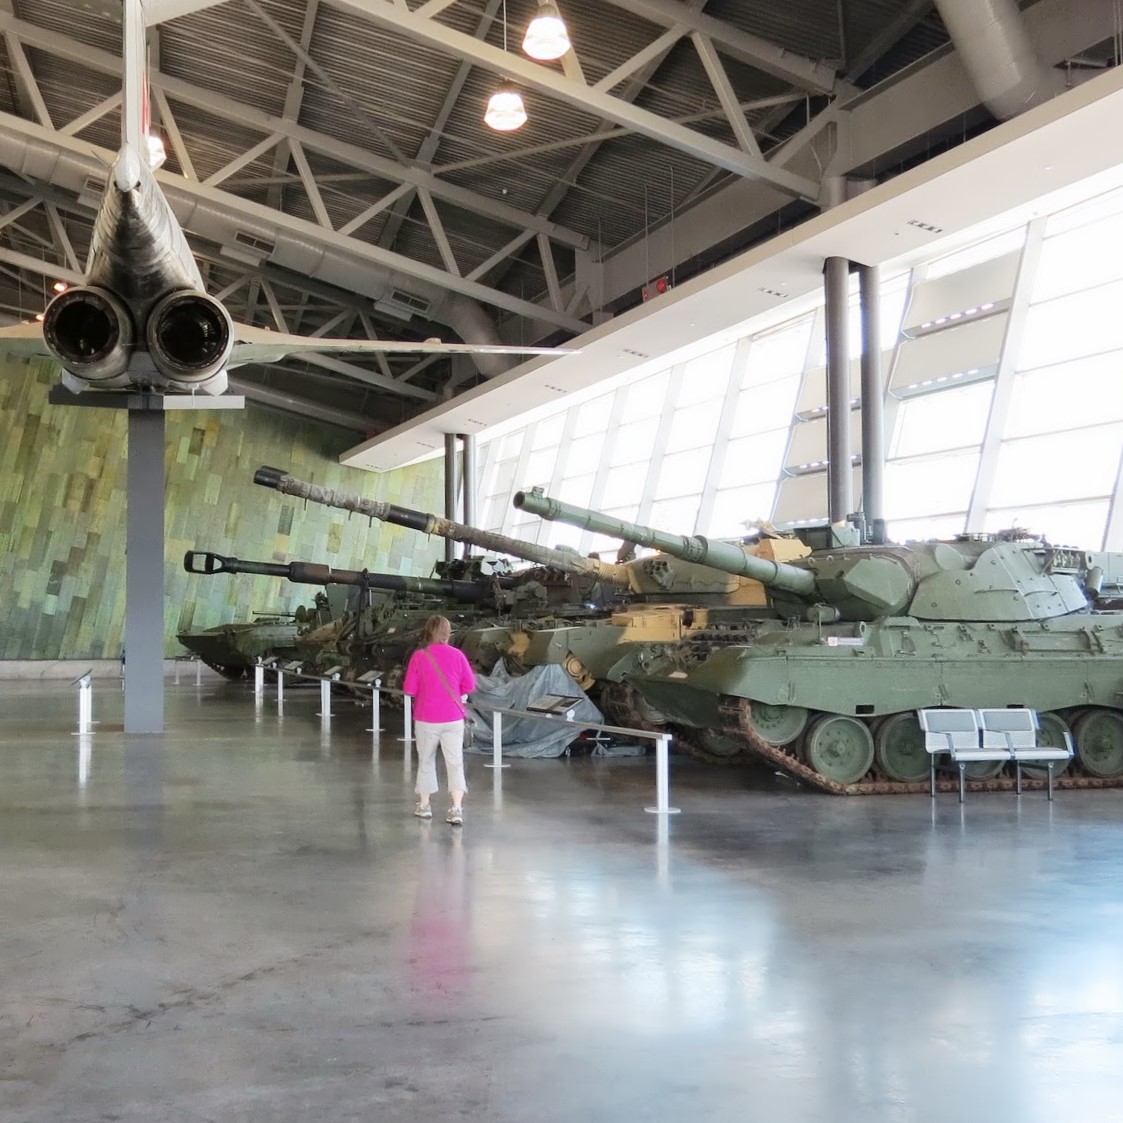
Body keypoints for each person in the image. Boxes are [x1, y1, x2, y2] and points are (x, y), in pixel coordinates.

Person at [401, 615, 476, 825]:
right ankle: (456, 809)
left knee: (426, 760)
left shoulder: (419, 656)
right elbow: (469, 685)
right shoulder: (458, 655)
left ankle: (424, 806)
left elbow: (409, 689)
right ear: (447, 633)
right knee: (455, 763)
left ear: (428, 632)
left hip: (426, 718)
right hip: (453, 717)